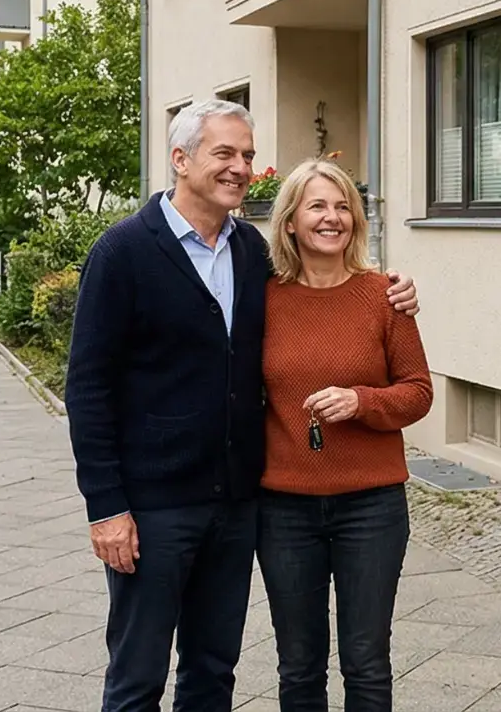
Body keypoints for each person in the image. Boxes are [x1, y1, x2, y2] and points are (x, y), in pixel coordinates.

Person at [65, 101, 419, 712]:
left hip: (235, 504)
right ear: (181, 159)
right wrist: (106, 508)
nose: (239, 168)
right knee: (138, 674)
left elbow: (320, 309)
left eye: (248, 156)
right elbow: (88, 388)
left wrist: (395, 294)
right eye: (223, 153)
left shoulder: (249, 255)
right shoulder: (123, 251)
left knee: (212, 671)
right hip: (154, 507)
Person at [256, 158, 432, 712]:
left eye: (342, 208)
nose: (332, 218)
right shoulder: (262, 300)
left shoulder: (385, 297)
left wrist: (363, 401)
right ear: (290, 222)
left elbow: (419, 391)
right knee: (299, 666)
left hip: (371, 507)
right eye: (317, 206)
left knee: (367, 661)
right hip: (283, 508)